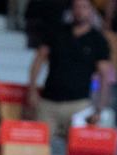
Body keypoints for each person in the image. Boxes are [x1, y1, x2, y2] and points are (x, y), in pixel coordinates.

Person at [27, 0, 111, 138]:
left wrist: (100, 108)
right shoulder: (58, 32)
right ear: (71, 10)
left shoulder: (98, 41)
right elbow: (38, 60)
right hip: (49, 101)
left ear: (91, 10)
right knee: (38, 144)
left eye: (84, 7)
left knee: (78, 149)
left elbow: (104, 76)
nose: (80, 11)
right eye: (76, 7)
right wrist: (32, 91)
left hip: (79, 105)